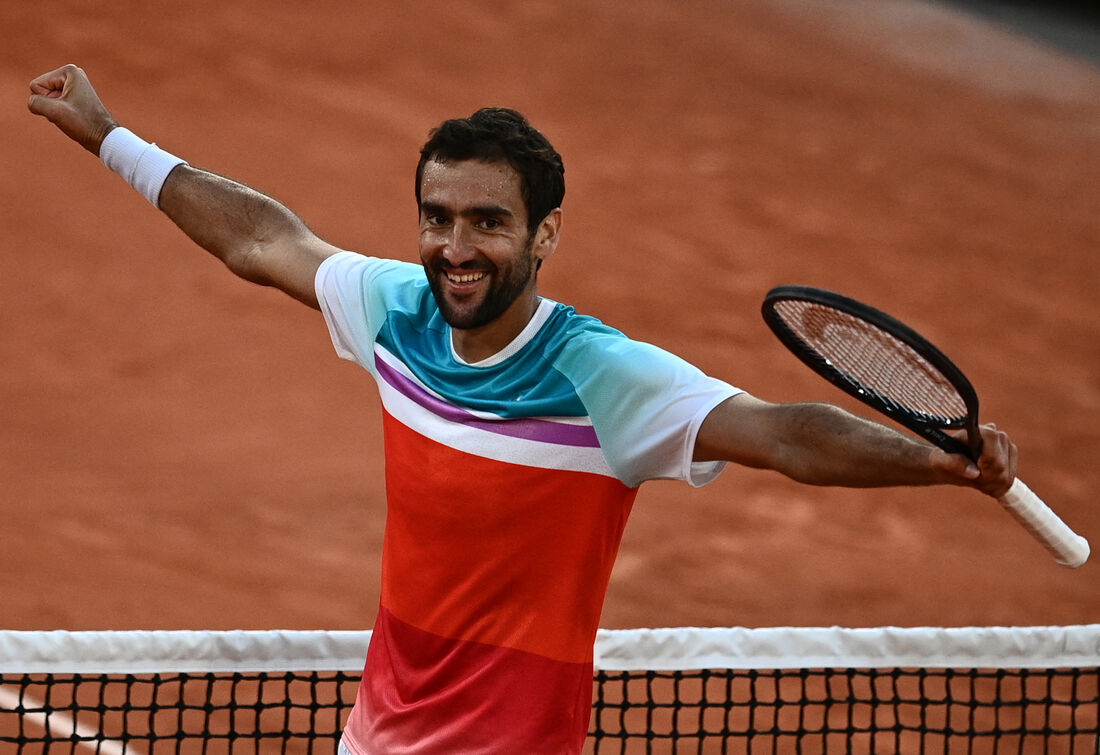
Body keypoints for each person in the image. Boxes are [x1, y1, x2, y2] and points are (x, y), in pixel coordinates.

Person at [28, 64, 1017, 755]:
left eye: (488, 222)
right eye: (438, 217)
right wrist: (113, 140)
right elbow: (264, 242)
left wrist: (927, 459)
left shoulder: (604, 374)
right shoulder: (395, 311)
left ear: (543, 235)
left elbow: (779, 433)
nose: (456, 246)